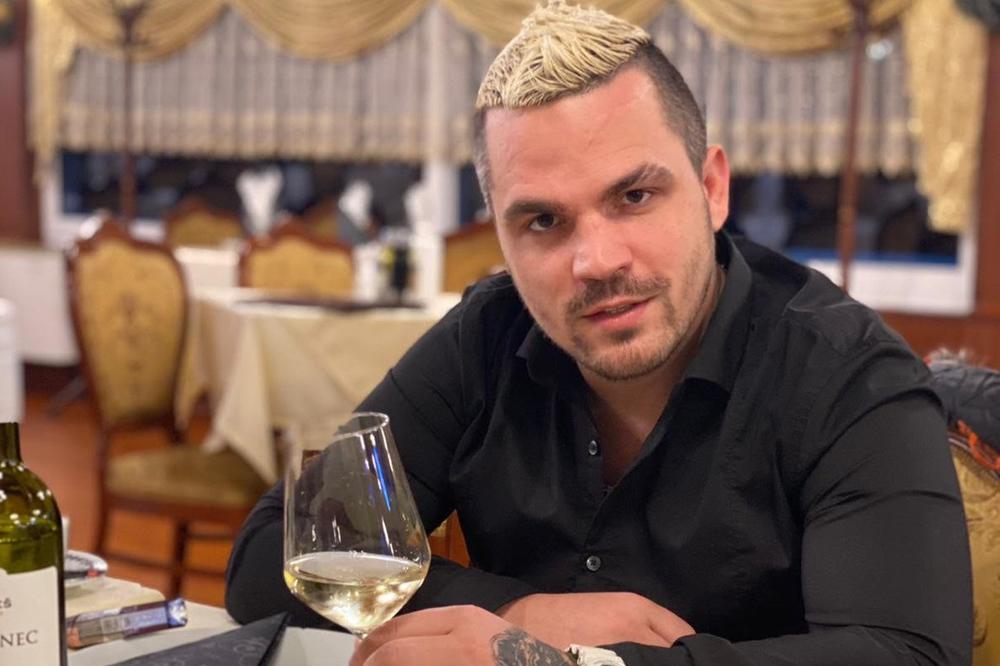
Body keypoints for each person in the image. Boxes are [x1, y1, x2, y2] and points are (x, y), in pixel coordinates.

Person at [225, 2, 972, 664]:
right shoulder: (487, 334)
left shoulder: (848, 374)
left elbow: (904, 653)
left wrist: (564, 664)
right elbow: (271, 557)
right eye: (543, 220)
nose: (596, 261)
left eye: (635, 196)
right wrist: (521, 612)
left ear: (712, 188)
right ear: (501, 236)